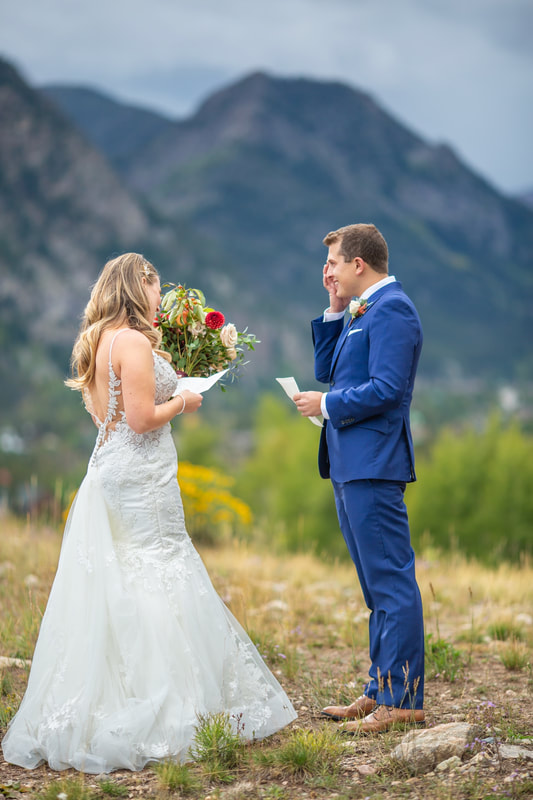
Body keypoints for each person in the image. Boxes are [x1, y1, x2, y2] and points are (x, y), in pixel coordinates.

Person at [2, 253, 296, 773]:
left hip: (110, 468)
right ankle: (166, 704)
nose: (161, 299)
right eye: (156, 289)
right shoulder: (133, 342)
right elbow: (140, 419)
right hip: (141, 476)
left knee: (126, 573)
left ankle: (112, 695)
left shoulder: (96, 340)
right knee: (159, 567)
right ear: (137, 285)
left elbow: (113, 412)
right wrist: (184, 401)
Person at [294, 224, 425, 734]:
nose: (326, 270)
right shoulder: (358, 309)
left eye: (333, 263)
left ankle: (405, 698)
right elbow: (330, 368)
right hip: (350, 464)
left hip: (374, 462)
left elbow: (389, 389)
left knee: (392, 580)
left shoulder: (393, 308)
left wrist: (325, 406)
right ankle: (379, 689)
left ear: (359, 264)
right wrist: (333, 309)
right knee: (375, 586)